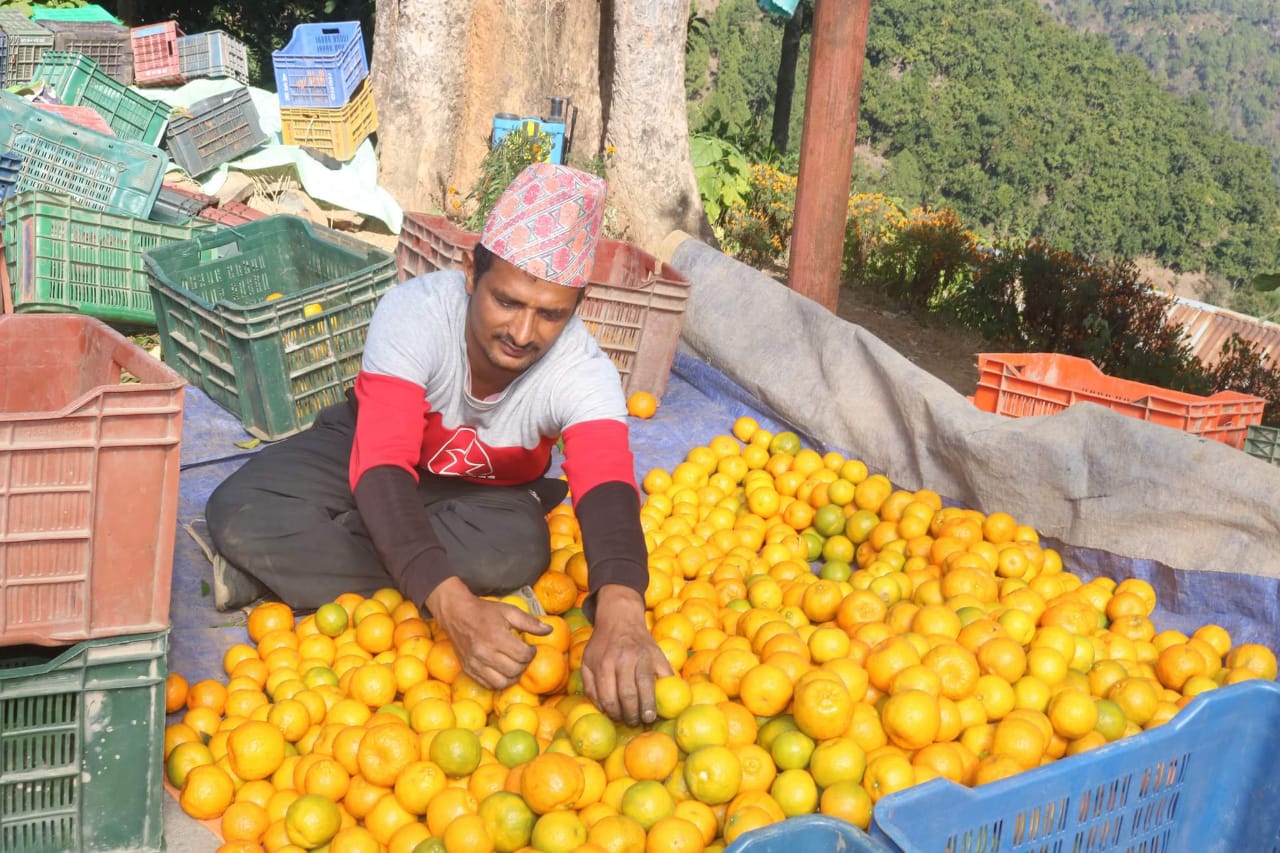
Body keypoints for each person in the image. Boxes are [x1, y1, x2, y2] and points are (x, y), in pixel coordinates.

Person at [205, 163, 672, 725]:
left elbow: (607, 485)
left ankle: (280, 569)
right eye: (507, 302)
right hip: (370, 451)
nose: (523, 333)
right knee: (241, 509)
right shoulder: (416, 314)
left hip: (486, 494)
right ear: (471, 273)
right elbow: (381, 465)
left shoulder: (582, 369)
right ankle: (403, 558)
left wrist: (622, 612)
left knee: (517, 550)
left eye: (550, 314)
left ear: (579, 305)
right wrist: (453, 607)